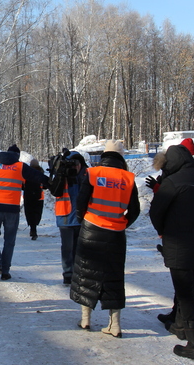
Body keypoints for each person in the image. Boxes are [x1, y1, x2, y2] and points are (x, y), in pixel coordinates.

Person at [149, 144, 194, 361]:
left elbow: (156, 212)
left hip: (179, 243)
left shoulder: (172, 182)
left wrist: (163, 230)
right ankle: (180, 324)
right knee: (191, 287)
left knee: (185, 292)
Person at [70, 140, 140, 337]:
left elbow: (81, 200)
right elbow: (134, 210)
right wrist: (121, 223)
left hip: (91, 228)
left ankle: (85, 320)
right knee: (114, 277)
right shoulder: (128, 178)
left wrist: (83, 219)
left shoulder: (94, 173)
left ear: (104, 155)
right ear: (121, 157)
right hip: (115, 234)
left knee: (86, 272)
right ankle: (115, 324)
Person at [0, 144, 49, 280]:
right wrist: (54, 183)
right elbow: (39, 177)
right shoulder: (20, 166)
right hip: (12, 209)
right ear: (17, 156)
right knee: (9, 240)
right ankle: (5, 271)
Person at [53, 151, 88, 285]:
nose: (75, 167)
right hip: (65, 218)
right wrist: (61, 174)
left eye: (77, 164)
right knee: (67, 248)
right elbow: (55, 191)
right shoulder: (62, 175)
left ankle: (79, 273)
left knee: (80, 249)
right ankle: (68, 274)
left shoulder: (88, 175)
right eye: (72, 164)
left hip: (82, 218)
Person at [22, 159, 46, 240]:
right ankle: (34, 228)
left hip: (28, 197)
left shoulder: (26, 173)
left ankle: (32, 229)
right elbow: (45, 185)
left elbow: (22, 185)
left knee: (29, 213)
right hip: (39, 197)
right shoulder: (41, 173)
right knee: (37, 213)